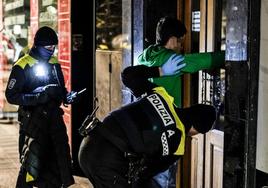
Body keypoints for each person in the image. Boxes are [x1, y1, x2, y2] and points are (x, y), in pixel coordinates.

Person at [78, 63, 216, 188]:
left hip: (89, 143)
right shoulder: (178, 144)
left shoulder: (161, 95)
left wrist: (160, 70)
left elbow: (128, 75)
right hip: (108, 163)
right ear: (197, 130)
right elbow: (146, 172)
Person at [138, 16, 225, 187]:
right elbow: (205, 60)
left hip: (143, 129)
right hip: (165, 131)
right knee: (165, 180)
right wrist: (231, 54)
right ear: (172, 40)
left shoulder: (144, 56)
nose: (181, 46)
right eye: (180, 41)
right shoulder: (172, 60)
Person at [5, 26, 76, 188]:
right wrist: (39, 96)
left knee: (58, 161)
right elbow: (12, 96)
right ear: (38, 45)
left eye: (54, 47)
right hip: (33, 123)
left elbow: (60, 87)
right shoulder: (22, 65)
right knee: (31, 164)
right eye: (48, 47)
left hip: (54, 121)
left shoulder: (54, 62)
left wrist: (66, 96)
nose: (52, 51)